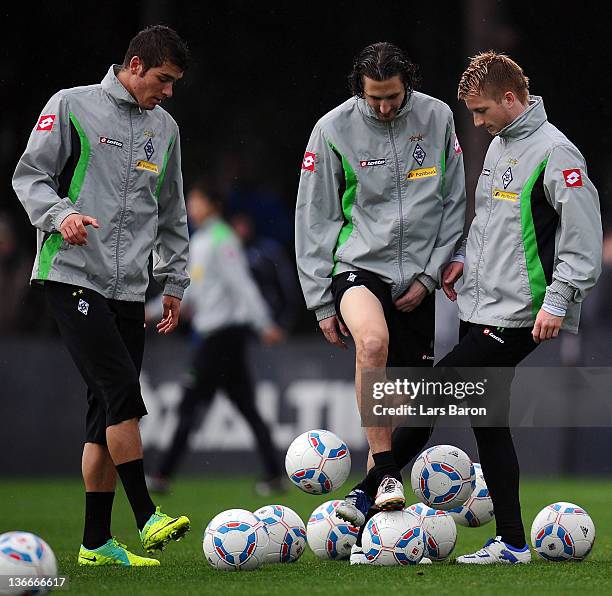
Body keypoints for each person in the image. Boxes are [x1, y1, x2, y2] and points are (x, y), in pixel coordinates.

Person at [344, 51, 603, 565]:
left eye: (482, 111)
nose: (477, 122)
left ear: (511, 98)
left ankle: (369, 490)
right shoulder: (503, 146)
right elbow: (489, 223)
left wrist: (557, 300)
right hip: (482, 307)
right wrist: (462, 257)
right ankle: (511, 543)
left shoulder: (557, 154)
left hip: (522, 314)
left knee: (437, 392)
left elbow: (583, 240)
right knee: (490, 423)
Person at [12, 25, 193, 567]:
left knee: (102, 416)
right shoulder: (71, 105)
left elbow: (172, 212)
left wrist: (175, 281)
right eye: (163, 79)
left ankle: (94, 544)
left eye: (175, 84)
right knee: (120, 392)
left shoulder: (166, 128)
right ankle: (146, 515)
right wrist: (61, 215)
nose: (167, 92)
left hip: (129, 289)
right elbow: (30, 176)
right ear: (135, 66)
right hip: (71, 273)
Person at [295, 41, 466, 522]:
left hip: (417, 278)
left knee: (410, 414)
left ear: (407, 83)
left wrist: (431, 276)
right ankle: (389, 473)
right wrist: (320, 301)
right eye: (375, 99)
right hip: (357, 266)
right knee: (372, 343)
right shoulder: (331, 129)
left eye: (393, 96)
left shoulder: (437, 118)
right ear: (360, 90)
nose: (386, 107)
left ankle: (371, 515)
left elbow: (453, 200)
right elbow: (314, 218)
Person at [146, 180, 286, 496]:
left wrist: (264, 323)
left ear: (213, 205)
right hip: (218, 337)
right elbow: (193, 290)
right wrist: (155, 310)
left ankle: (162, 475)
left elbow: (242, 284)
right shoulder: (204, 240)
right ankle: (274, 475)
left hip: (221, 337)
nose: (191, 207)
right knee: (246, 407)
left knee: (188, 403)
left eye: (196, 201)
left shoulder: (221, 239)